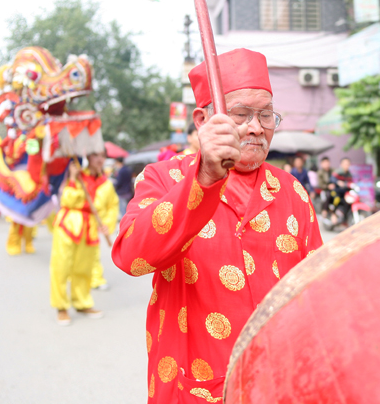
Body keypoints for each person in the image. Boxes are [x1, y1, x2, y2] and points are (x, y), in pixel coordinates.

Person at [112, 48, 323, 403]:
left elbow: (317, 290)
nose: (255, 127)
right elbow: (131, 257)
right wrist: (205, 178)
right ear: (202, 120)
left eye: (266, 115)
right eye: (240, 114)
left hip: (277, 383)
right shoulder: (163, 178)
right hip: (193, 386)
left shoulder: (292, 191)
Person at [50, 152, 119, 326]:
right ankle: (61, 307)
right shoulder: (76, 175)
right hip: (68, 225)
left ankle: (82, 303)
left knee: (84, 269)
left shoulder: (106, 184)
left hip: (90, 229)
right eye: (96, 155)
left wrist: (107, 225)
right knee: (61, 267)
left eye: (103, 156)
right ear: (89, 157)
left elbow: (112, 206)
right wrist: (73, 179)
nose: (100, 159)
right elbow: (67, 200)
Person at [328, 157, 353, 226]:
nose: (346, 166)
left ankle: (345, 219)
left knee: (349, 202)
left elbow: (350, 183)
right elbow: (332, 179)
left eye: (348, 164)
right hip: (336, 192)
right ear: (341, 164)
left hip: (344, 193)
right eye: (345, 164)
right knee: (336, 199)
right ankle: (333, 214)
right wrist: (338, 182)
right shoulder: (337, 172)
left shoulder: (349, 174)